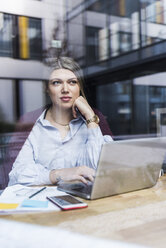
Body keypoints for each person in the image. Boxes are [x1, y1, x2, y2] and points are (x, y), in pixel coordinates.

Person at [8, 57, 113, 186]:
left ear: (79, 87)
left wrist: (91, 118)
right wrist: (58, 174)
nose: (65, 89)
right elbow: (16, 175)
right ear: (46, 88)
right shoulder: (30, 121)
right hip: (42, 201)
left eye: (72, 82)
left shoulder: (95, 119)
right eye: (56, 82)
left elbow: (104, 172)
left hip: (86, 201)